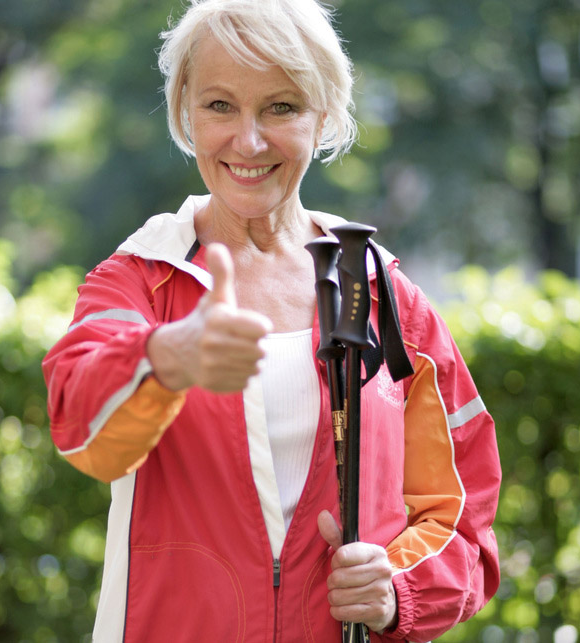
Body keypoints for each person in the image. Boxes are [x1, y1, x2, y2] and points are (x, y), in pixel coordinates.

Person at [42, 0, 501, 640]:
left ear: (325, 118)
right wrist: (167, 355)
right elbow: (81, 431)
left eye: (281, 107)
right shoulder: (140, 279)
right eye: (220, 106)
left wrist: (395, 590)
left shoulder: (384, 297)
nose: (249, 141)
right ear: (185, 114)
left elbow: (464, 514)